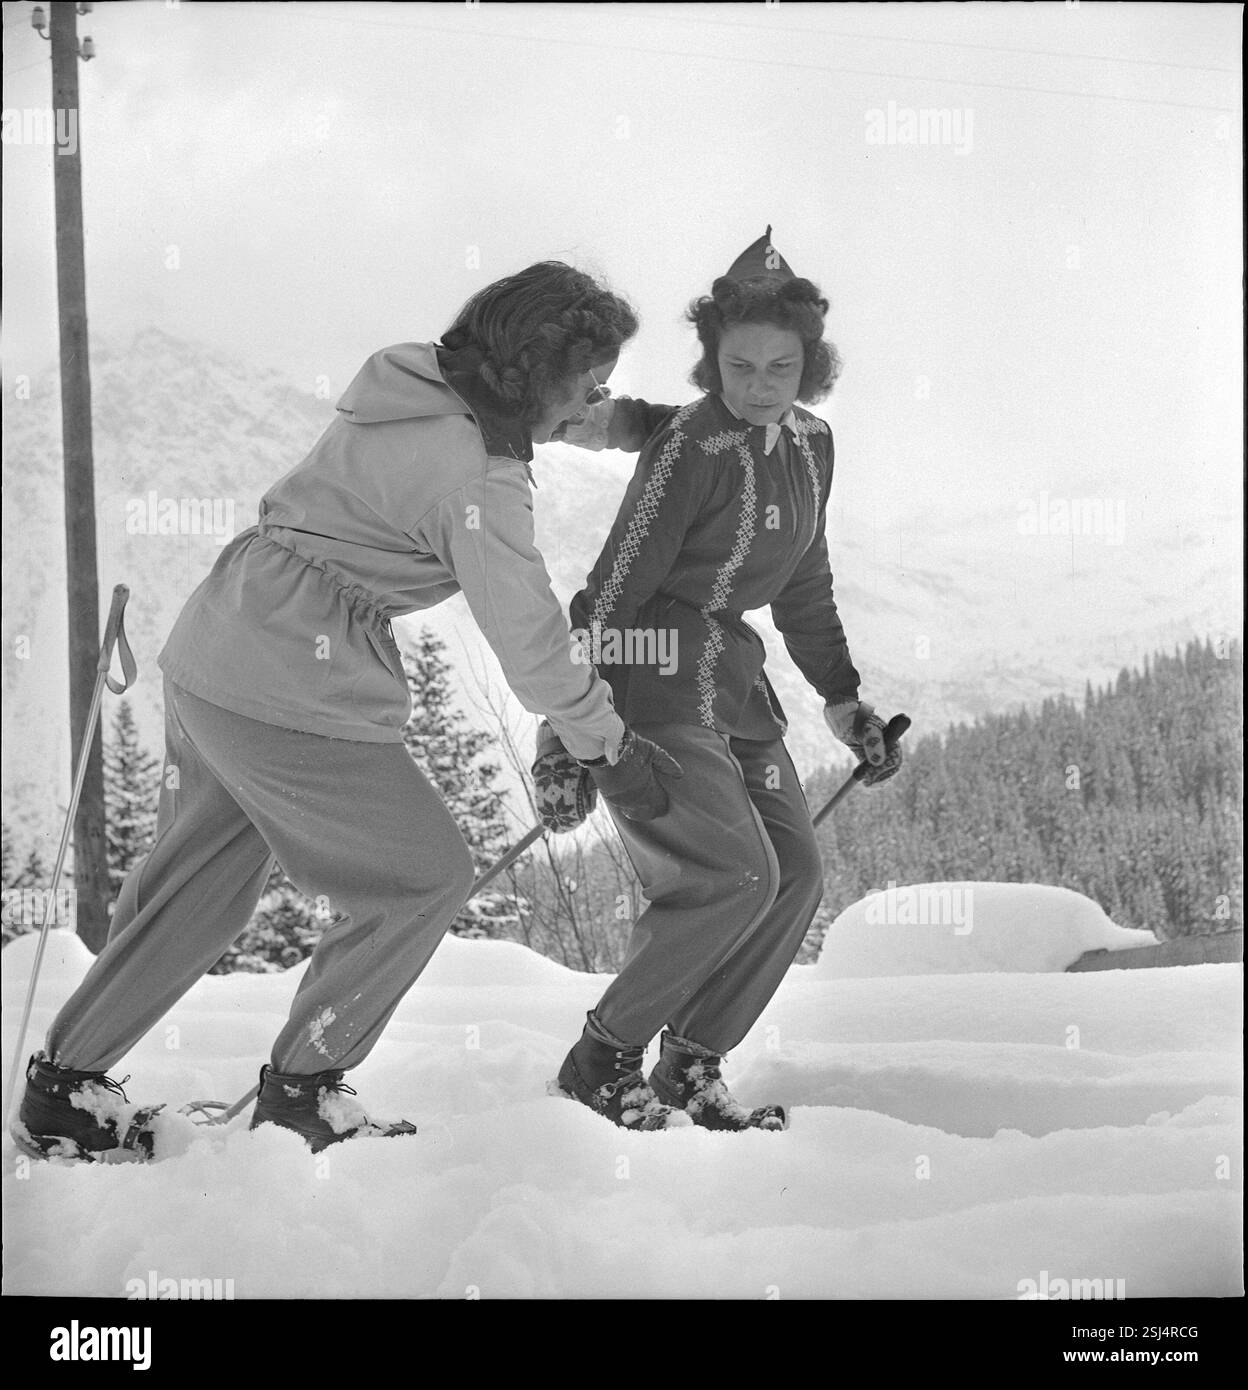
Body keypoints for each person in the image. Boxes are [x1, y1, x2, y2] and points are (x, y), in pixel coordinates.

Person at [13, 261, 679, 1161]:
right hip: (295, 679)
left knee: (198, 886)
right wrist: (608, 745)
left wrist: (634, 425)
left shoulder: (415, 379)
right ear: (532, 376)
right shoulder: (483, 484)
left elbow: (533, 409)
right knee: (422, 875)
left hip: (219, 647)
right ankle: (302, 1091)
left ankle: (63, 1089)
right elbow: (532, 646)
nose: (593, 399)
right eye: (587, 384)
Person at [537, 229, 902, 1132]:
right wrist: (564, 732)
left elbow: (805, 583)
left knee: (796, 874)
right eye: (739, 365)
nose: (759, 384)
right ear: (713, 361)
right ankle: (601, 1060)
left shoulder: (814, 445)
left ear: (810, 365)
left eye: (781, 366)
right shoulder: (689, 445)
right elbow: (616, 584)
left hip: (735, 684)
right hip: (650, 675)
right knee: (733, 871)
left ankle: (691, 1065)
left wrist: (844, 699)